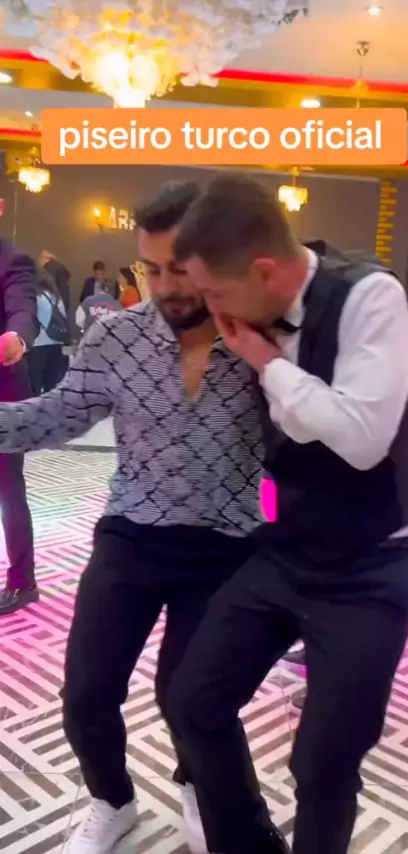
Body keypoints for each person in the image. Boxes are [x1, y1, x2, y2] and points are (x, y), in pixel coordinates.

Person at [0, 181, 285, 854]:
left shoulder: (259, 342)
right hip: (132, 533)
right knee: (86, 691)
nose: (163, 287)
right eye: (149, 269)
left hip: (224, 545)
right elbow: (57, 415)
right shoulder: (116, 338)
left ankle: (197, 782)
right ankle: (112, 798)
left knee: (189, 696)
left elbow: (313, 432)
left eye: (178, 269)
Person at [162, 172, 408, 854]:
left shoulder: (370, 295)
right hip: (286, 548)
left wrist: (264, 359)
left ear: (263, 270)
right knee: (193, 702)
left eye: (217, 294)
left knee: (324, 762)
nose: (213, 311)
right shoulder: (248, 308)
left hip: (374, 564)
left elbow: (363, 441)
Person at [0, 239, 39, 616]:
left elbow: (23, 309)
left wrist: (17, 336)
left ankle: (22, 581)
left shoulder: (13, 260)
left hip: (4, 388)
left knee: (8, 487)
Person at [26, 267, 69, 396]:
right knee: (51, 381)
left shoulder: (37, 298)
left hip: (38, 344)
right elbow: (64, 317)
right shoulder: (57, 298)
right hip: (56, 342)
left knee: (34, 381)